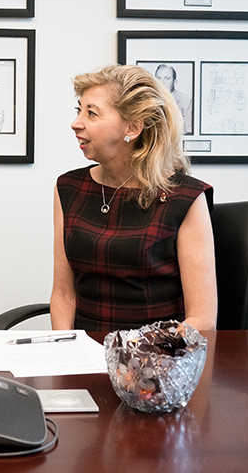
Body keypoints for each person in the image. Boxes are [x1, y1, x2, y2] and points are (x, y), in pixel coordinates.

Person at [51, 64, 216, 336]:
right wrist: (65, 349)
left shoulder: (185, 198)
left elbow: (202, 319)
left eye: (91, 113)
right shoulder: (68, 188)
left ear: (133, 127)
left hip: (157, 355)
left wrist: (136, 355)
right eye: (78, 110)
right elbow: (63, 294)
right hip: (85, 353)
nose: (76, 123)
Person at [154, 64, 193, 134]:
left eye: (167, 78)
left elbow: (188, 130)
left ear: (175, 82)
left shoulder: (186, 100)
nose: (162, 83)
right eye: (159, 78)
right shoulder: (148, 100)